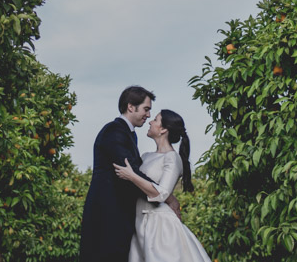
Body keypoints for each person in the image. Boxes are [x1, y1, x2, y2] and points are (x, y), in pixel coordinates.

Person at [79, 86, 181, 262]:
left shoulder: (129, 135)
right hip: (107, 217)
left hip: (124, 218)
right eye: (146, 109)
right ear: (131, 107)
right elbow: (131, 170)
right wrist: (167, 197)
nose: (148, 115)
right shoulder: (114, 131)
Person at [114, 109, 211, 262]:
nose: (150, 121)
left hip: (160, 225)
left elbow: (161, 194)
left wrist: (131, 176)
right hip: (140, 223)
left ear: (163, 129)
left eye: (156, 119)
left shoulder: (172, 158)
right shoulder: (146, 156)